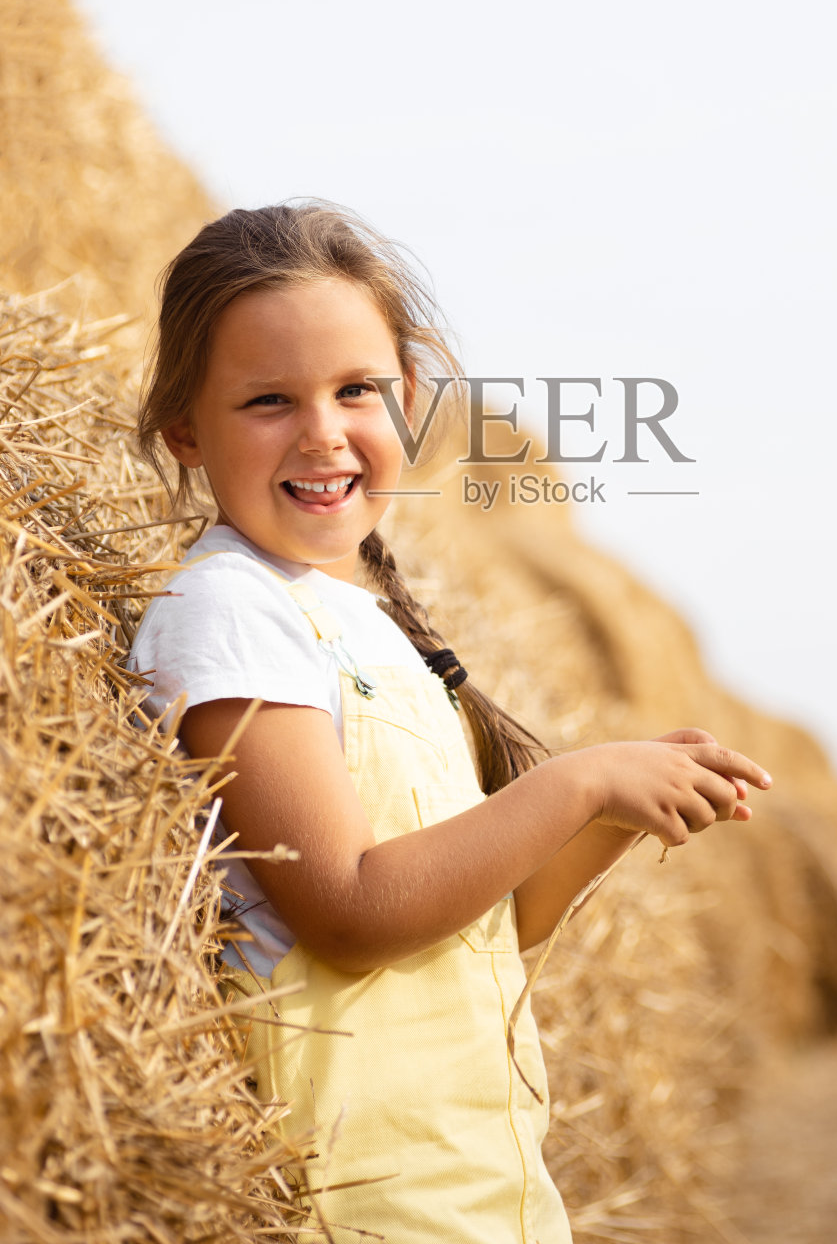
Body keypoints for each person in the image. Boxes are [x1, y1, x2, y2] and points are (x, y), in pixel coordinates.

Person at [129, 201, 772, 1243]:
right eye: (268, 400)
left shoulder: (370, 622)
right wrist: (576, 780)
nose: (322, 431)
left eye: (356, 390)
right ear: (186, 430)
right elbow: (350, 909)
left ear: (410, 399)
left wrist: (611, 813)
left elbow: (485, 924)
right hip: (356, 1198)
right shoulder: (230, 613)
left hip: (481, 1189)